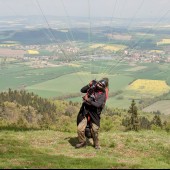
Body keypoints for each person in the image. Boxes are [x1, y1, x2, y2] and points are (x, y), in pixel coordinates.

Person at [76, 78, 109, 149]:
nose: (99, 84)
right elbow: (82, 90)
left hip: (94, 113)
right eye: (99, 83)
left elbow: (98, 105)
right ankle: (82, 142)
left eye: (101, 85)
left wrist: (87, 100)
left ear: (103, 87)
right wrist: (89, 85)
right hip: (85, 110)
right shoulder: (92, 87)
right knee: (80, 128)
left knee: (94, 130)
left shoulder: (102, 95)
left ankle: (96, 144)